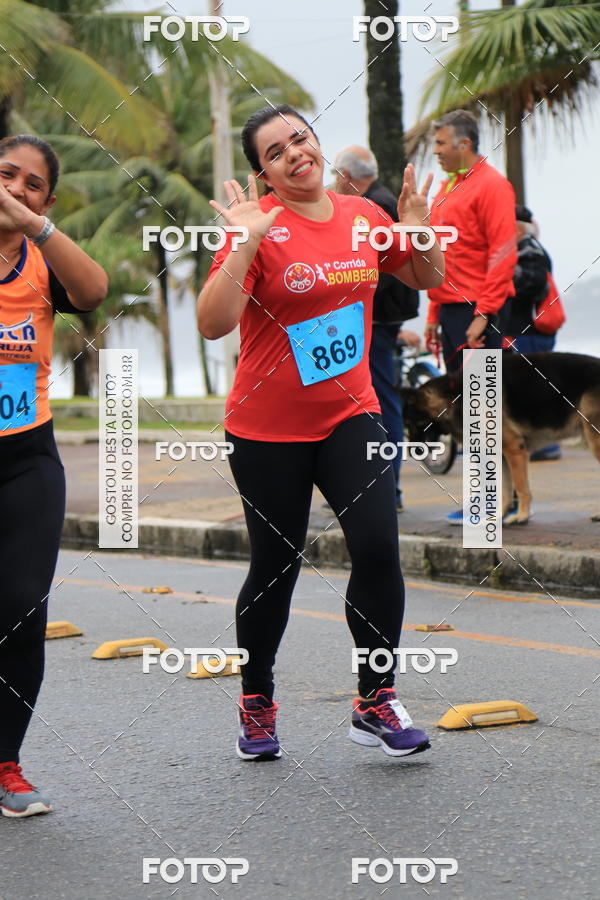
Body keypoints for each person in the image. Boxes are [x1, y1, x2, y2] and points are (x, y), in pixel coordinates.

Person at [197, 105, 444, 761]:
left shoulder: (363, 217)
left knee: (377, 548)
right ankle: (256, 698)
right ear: (265, 173)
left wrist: (419, 234)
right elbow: (213, 322)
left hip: (350, 415)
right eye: (276, 152)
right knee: (276, 569)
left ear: (316, 143)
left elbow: (427, 277)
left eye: (300, 139)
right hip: (267, 429)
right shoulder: (258, 228)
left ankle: (375, 698)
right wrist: (245, 241)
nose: (294, 154)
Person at [0, 135, 108, 816]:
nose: (15, 187)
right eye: (5, 174)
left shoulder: (41, 259)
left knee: (20, 611)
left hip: (27, 460)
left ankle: (6, 764)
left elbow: (94, 291)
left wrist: (36, 226)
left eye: (32, 184)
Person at [424, 110, 517, 523]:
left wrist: (485, 313)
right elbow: (439, 257)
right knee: (466, 406)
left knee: (482, 408)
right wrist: (433, 310)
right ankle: (485, 501)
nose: (436, 151)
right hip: (450, 309)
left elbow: (502, 254)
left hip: (478, 310)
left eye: (441, 143)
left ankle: (496, 504)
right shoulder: (446, 188)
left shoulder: (493, 186)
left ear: (464, 144)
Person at [333, 145, 421, 511]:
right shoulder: (372, 202)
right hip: (378, 317)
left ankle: (390, 489)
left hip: (378, 319)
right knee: (374, 399)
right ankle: (376, 487)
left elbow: (380, 268)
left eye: (334, 175)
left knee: (383, 401)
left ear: (347, 176)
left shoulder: (375, 206)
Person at [503, 205, 563, 461]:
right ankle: (536, 442)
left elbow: (532, 284)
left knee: (532, 388)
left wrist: (500, 277)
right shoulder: (525, 248)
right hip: (524, 330)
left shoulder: (529, 250)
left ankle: (544, 444)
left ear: (516, 227)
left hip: (529, 330)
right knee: (529, 387)